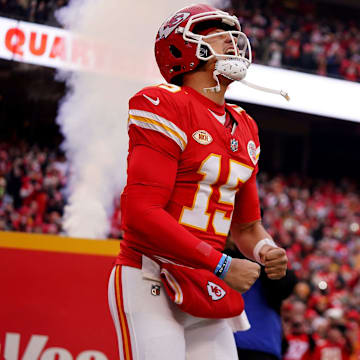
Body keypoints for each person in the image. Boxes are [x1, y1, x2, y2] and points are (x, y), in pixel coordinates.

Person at [107, 4, 288, 360]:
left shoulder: (244, 124)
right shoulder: (163, 103)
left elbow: (248, 227)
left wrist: (266, 250)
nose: (232, 41)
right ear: (181, 48)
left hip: (207, 284)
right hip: (151, 277)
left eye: (231, 33)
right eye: (217, 33)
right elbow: (140, 213)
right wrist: (222, 264)